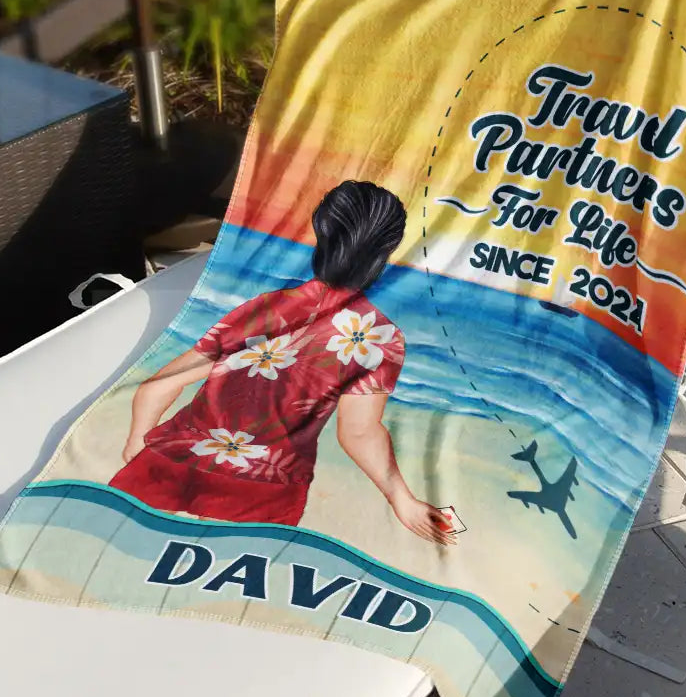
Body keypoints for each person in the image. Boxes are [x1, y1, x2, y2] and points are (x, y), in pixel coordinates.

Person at [110, 180, 453, 546]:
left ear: (322, 232)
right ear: (388, 250)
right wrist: (402, 499)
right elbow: (358, 434)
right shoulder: (380, 339)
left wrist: (138, 441)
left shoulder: (263, 308)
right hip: (265, 484)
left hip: (173, 460)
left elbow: (159, 385)